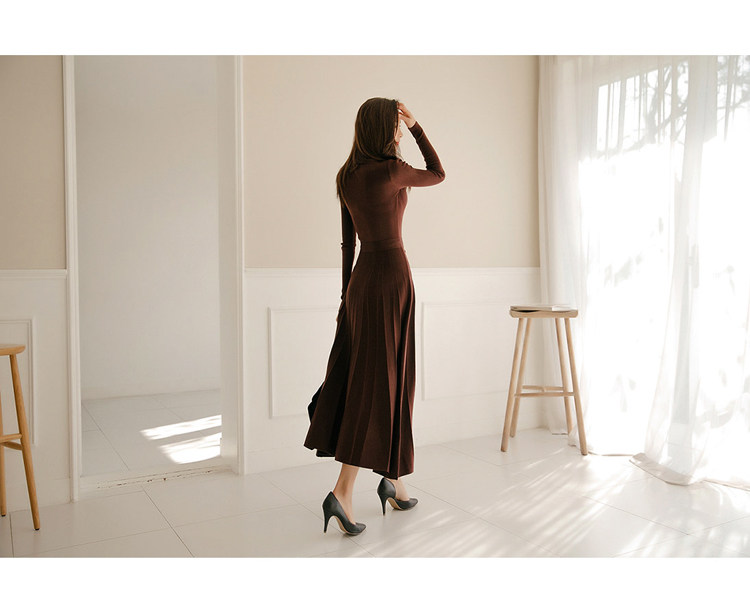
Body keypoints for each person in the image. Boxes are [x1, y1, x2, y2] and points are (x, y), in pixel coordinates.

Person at [303, 98, 445, 535]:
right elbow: (438, 173)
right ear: (385, 129)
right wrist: (418, 126)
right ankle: (343, 491)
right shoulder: (391, 170)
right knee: (382, 384)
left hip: (362, 282)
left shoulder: (347, 175)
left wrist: (346, 296)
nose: (399, 132)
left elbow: (348, 243)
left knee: (382, 380)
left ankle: (394, 483)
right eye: (395, 126)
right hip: (391, 276)